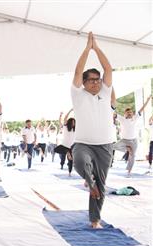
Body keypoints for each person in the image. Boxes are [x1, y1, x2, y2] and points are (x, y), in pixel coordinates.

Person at [71, 32, 114, 228]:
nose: (96, 82)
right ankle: (90, 180)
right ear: (85, 82)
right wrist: (87, 50)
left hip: (105, 145)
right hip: (83, 143)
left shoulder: (106, 92)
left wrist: (97, 48)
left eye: (98, 79)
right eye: (92, 80)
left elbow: (108, 68)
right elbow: (78, 71)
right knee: (79, 161)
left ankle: (95, 220)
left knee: (102, 185)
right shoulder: (78, 95)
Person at [113, 96, 151, 176]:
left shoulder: (135, 118)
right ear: (124, 114)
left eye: (130, 112)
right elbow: (114, 113)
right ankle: (127, 149)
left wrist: (147, 100)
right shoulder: (121, 118)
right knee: (113, 146)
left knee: (132, 156)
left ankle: (129, 171)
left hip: (133, 141)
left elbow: (142, 109)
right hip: (124, 140)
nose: (129, 113)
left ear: (132, 113)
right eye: (128, 113)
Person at [56, 110, 76, 176]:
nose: (74, 124)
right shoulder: (65, 127)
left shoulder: (75, 129)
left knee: (71, 160)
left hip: (72, 146)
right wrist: (70, 110)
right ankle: (66, 156)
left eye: (74, 122)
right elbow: (64, 119)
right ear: (70, 123)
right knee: (56, 150)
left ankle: (69, 172)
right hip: (65, 145)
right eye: (72, 122)